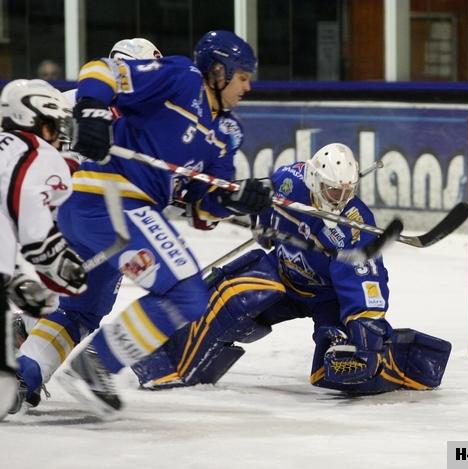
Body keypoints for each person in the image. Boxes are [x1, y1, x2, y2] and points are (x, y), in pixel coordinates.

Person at [14, 30, 272, 418]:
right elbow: (101, 70)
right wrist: (93, 112)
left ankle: (23, 375)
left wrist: (235, 199)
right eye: (243, 77)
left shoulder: (225, 134)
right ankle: (97, 366)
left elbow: (202, 208)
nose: (248, 87)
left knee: (81, 310)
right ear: (219, 71)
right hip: (110, 200)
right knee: (186, 290)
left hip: (98, 215)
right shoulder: (182, 77)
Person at [132, 143, 452, 395]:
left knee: (343, 365)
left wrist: (365, 322)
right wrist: (262, 222)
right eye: (333, 191)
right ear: (315, 180)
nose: (340, 199)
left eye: (347, 192)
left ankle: (404, 360)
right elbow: (263, 197)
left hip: (328, 298)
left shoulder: (355, 225)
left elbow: (365, 279)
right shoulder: (290, 179)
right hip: (282, 274)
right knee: (231, 295)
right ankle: (173, 362)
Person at [0, 79, 88, 421]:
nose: (59, 135)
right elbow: (34, 229)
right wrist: (61, 265)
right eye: (53, 125)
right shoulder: (37, 155)